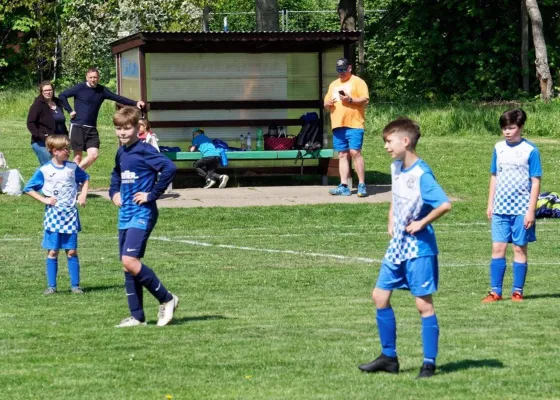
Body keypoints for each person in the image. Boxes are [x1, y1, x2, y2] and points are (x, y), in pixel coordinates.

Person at [358, 118, 451, 379]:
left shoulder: (422, 174)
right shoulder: (396, 167)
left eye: (389, 141)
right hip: (396, 246)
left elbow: (444, 204)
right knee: (380, 296)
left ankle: (429, 364)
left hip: (418, 249)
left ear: (405, 141)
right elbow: (396, 198)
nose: (386, 146)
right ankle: (389, 358)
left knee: (423, 305)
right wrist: (391, 217)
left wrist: (421, 222)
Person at [109, 107, 179, 328]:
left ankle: (167, 299)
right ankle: (138, 317)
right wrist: (114, 193)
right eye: (118, 128)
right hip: (126, 212)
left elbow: (169, 167)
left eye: (126, 128)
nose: (122, 132)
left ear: (137, 128)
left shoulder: (145, 149)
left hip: (143, 212)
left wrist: (151, 194)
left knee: (130, 260)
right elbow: (115, 174)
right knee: (127, 265)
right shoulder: (122, 152)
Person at [483, 109, 541, 303]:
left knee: (519, 249)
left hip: (521, 210)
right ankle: (495, 292)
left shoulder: (530, 151)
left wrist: (530, 211)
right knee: (498, 248)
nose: (507, 132)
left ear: (521, 127)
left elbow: (535, 181)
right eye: (504, 128)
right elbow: (494, 176)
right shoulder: (498, 148)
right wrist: (490, 203)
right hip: (500, 209)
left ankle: (517, 292)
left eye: (511, 128)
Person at [23, 135, 89, 295]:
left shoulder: (72, 168)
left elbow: (85, 178)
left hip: (70, 215)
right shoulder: (45, 170)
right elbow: (28, 188)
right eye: (65, 149)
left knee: (71, 250)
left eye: (68, 148)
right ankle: (51, 286)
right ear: (55, 151)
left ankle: (76, 286)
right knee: (53, 251)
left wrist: (83, 195)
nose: (69, 151)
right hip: (53, 216)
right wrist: (44, 199)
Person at [59, 67, 145, 170]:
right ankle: (75, 179)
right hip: (77, 126)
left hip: (91, 127)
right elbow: (62, 95)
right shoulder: (79, 88)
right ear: (86, 77)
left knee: (94, 155)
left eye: (95, 77)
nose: (93, 79)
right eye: (90, 77)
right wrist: (70, 110)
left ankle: (75, 174)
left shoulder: (102, 90)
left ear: (98, 78)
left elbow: (117, 98)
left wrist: (135, 103)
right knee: (77, 157)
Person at [323, 57, 369, 197]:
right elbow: (325, 105)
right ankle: (344, 186)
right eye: (339, 70)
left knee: (355, 153)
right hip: (338, 124)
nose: (341, 73)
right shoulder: (333, 84)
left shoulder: (358, 82)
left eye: (343, 70)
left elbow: (365, 100)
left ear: (349, 68)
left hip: (354, 123)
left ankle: (361, 185)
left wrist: (350, 99)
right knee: (342, 154)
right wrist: (328, 103)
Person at [26, 81, 69, 166]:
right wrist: (42, 136)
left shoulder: (58, 102)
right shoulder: (37, 105)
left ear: (53, 90)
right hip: (42, 142)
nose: (48, 92)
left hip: (58, 141)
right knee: (48, 166)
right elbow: (30, 123)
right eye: (45, 90)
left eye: (50, 90)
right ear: (41, 92)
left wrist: (66, 136)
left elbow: (61, 122)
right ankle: (38, 179)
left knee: (60, 165)